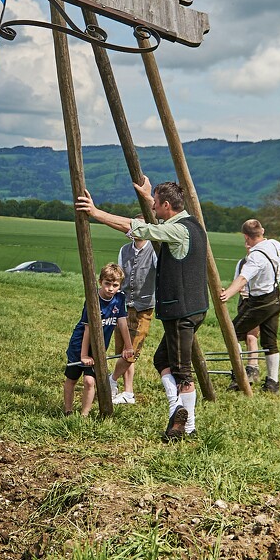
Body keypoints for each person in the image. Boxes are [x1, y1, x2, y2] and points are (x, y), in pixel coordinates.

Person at [77, 175, 209, 442]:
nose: (154, 211)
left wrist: (95, 213)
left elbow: (138, 227)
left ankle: (187, 424)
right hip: (193, 308)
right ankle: (178, 412)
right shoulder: (192, 222)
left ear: (167, 206)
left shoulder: (177, 230)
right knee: (162, 360)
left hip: (181, 310)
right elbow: (156, 216)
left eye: (156, 205)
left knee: (183, 371)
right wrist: (150, 195)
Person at [219, 219, 280, 393]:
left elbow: (243, 279)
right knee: (270, 342)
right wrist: (278, 277)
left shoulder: (255, 256)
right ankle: (272, 383)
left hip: (260, 302)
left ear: (246, 237)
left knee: (231, 332)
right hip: (276, 298)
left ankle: (240, 378)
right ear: (262, 231)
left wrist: (226, 294)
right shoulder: (274, 245)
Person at [63, 264, 133, 418]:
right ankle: (68, 411)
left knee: (89, 381)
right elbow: (88, 329)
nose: (110, 289)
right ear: (100, 281)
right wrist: (83, 355)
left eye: (115, 285)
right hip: (80, 345)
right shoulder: (93, 299)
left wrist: (128, 347)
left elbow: (122, 323)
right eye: (107, 284)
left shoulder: (120, 298)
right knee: (72, 378)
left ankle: (84, 415)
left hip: (98, 348)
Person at [111, 236, 156, 405]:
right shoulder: (124, 250)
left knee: (131, 351)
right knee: (122, 350)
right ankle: (128, 392)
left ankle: (111, 380)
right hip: (123, 306)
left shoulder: (154, 250)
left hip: (143, 307)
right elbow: (120, 276)